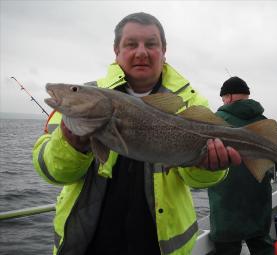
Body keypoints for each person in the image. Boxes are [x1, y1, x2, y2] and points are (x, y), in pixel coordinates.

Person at [32, 12, 241, 255]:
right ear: (116, 51)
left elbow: (196, 180)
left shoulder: (191, 102)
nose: (141, 52)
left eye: (151, 44)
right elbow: (51, 172)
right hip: (88, 245)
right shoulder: (84, 100)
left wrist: (206, 168)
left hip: (159, 247)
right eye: (131, 44)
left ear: (163, 51)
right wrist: (71, 143)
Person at [208, 76, 274, 255]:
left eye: (223, 98)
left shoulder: (215, 120)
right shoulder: (264, 121)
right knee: (262, 245)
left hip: (226, 202)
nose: (222, 101)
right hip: (260, 199)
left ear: (228, 97)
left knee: (227, 248)